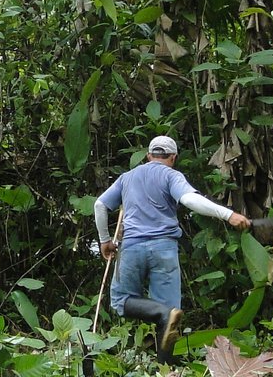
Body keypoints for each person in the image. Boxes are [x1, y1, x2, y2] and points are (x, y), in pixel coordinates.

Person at [94, 135, 250, 363]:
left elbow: (100, 204)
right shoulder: (171, 175)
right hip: (164, 249)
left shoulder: (127, 177)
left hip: (132, 247)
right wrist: (228, 214)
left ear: (149, 156)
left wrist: (105, 240)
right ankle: (165, 364)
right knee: (169, 314)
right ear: (173, 157)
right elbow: (189, 200)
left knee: (121, 301)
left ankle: (163, 340)